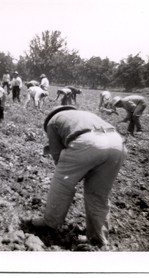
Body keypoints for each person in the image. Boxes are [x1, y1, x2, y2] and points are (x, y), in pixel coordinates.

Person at [30, 106, 127, 248]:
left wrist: (72, 174)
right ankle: (98, 239)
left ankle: (50, 222)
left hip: (89, 142)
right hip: (117, 143)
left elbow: (57, 156)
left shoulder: (52, 122)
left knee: (62, 184)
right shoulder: (84, 114)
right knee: (98, 194)